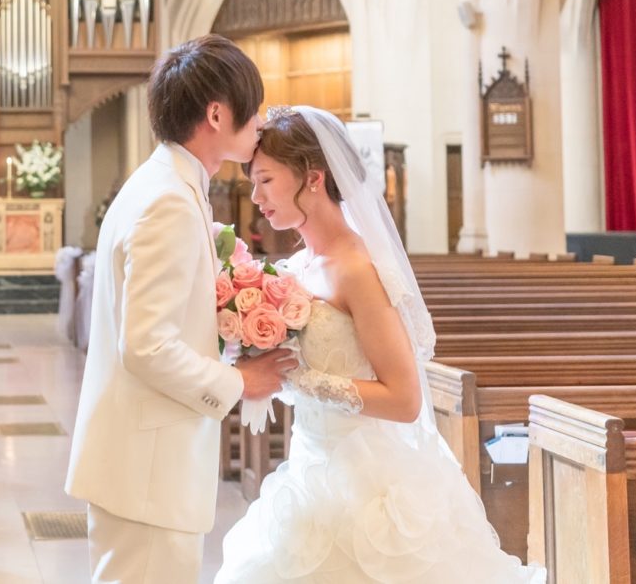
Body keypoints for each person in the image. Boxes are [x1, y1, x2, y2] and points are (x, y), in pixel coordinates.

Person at [215, 106, 544, 583]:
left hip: (373, 486)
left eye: (265, 180)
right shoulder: (296, 269)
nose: (256, 196)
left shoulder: (357, 269)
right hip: (309, 471)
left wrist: (303, 381)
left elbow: (405, 399)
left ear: (312, 178)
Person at [66, 35, 297, 584]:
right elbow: (146, 346)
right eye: (254, 107)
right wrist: (241, 380)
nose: (260, 122)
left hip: (145, 464)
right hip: (148, 472)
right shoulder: (167, 199)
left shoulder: (168, 185)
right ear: (217, 113)